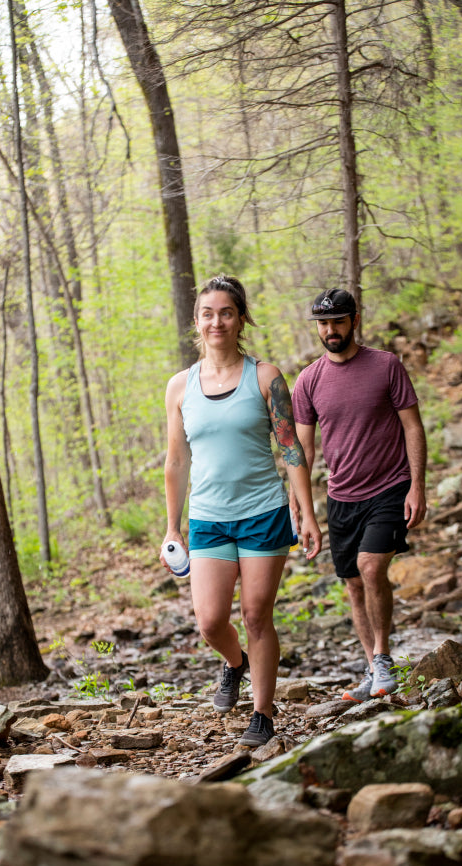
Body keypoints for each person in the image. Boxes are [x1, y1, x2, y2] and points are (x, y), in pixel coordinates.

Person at [161, 274, 322, 747]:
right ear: (197, 321)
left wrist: (307, 514)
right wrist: (172, 525)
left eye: (226, 312)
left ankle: (263, 713)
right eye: (207, 313)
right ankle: (235, 664)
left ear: (241, 318)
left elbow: (291, 450)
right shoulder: (179, 386)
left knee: (256, 615)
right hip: (207, 516)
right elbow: (175, 460)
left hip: (263, 512)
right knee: (210, 621)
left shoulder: (266, 377)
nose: (217, 322)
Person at [291, 287, 427, 701]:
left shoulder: (386, 366)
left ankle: (383, 659)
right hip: (341, 497)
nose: (330, 330)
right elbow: (301, 451)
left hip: (389, 486)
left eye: (337, 321)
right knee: (352, 583)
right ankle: (373, 670)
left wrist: (418, 485)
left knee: (370, 568)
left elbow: (413, 427)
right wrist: (303, 510)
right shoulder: (308, 380)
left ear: (354, 320)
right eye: (323, 323)